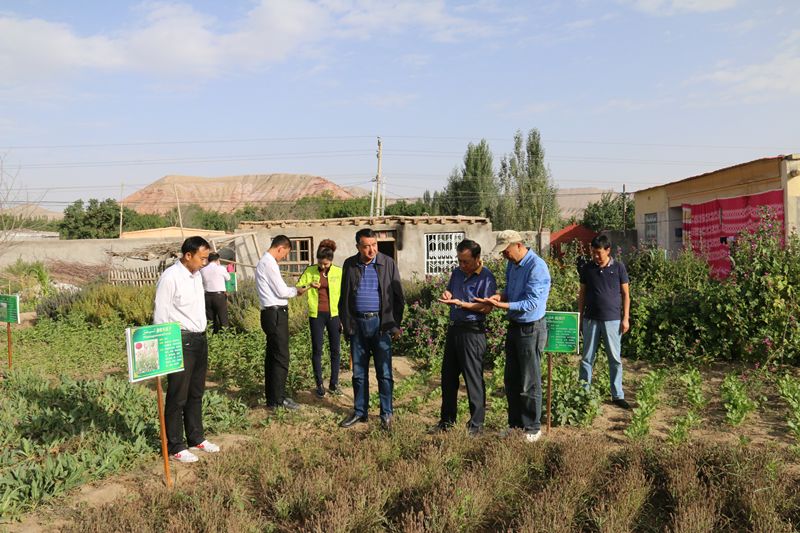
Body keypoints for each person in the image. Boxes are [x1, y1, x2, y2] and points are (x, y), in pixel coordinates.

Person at [477, 230, 551, 443]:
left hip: (531, 328)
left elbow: (533, 303)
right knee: (512, 379)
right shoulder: (513, 265)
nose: (504, 256)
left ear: (518, 245)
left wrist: (503, 305)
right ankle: (515, 424)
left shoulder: (537, 267)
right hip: (515, 325)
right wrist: (498, 296)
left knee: (530, 381)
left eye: (506, 251)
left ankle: (532, 427)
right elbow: (510, 290)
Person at [153, 236, 220, 463]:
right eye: (202, 258)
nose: (205, 262)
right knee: (177, 395)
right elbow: (160, 314)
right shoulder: (170, 278)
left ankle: (196, 437)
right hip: (179, 341)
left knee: (196, 392)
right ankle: (175, 445)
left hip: (199, 339)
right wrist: (163, 348)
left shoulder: (196, 275)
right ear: (188, 255)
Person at [338, 228, 404, 431]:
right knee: (358, 373)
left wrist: (394, 324)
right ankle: (360, 412)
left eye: (374, 245)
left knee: (384, 373)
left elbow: (398, 297)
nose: (371, 250)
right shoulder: (350, 264)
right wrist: (347, 324)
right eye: (366, 246)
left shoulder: (387, 263)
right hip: (357, 325)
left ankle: (386, 413)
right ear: (358, 246)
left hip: (381, 325)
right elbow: (344, 297)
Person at [433, 239, 497, 436]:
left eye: (466, 261)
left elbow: (486, 307)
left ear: (477, 259)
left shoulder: (487, 278)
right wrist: (447, 294)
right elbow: (452, 291)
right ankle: (447, 421)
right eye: (459, 260)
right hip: (454, 329)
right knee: (448, 378)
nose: (462, 265)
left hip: (472, 331)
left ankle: (476, 425)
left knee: (473, 379)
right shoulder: (457, 273)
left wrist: (461, 304)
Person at [255, 235, 308, 410]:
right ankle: (278, 400)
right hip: (276, 314)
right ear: (280, 248)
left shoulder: (265, 261)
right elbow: (281, 291)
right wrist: (297, 290)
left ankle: (273, 398)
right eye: (284, 254)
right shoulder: (269, 263)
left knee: (273, 357)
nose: (283, 257)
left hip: (271, 314)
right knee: (281, 358)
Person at [578, 234, 631, 409]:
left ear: (608, 250)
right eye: (593, 252)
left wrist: (625, 318)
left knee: (614, 359)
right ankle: (583, 393)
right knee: (587, 358)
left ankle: (617, 395)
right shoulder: (587, 268)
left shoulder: (618, 268)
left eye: (598, 252)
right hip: (590, 319)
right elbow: (582, 294)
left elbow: (626, 295)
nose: (595, 256)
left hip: (613, 320)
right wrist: (580, 317)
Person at [297, 239, 343, 398]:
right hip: (316, 316)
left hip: (334, 315)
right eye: (320, 263)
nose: (322, 266)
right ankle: (319, 385)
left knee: (335, 350)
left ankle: (334, 383)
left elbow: (345, 294)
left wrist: (345, 317)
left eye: (325, 264)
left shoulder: (338, 272)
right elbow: (299, 290)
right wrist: (310, 285)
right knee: (317, 350)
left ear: (331, 261)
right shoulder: (310, 271)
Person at [200, 252, 230, 333]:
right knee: (223, 318)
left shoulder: (202, 270)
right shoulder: (221, 268)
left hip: (207, 296)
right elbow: (228, 278)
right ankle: (226, 337)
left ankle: (212, 337)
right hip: (219, 296)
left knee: (210, 319)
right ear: (217, 260)